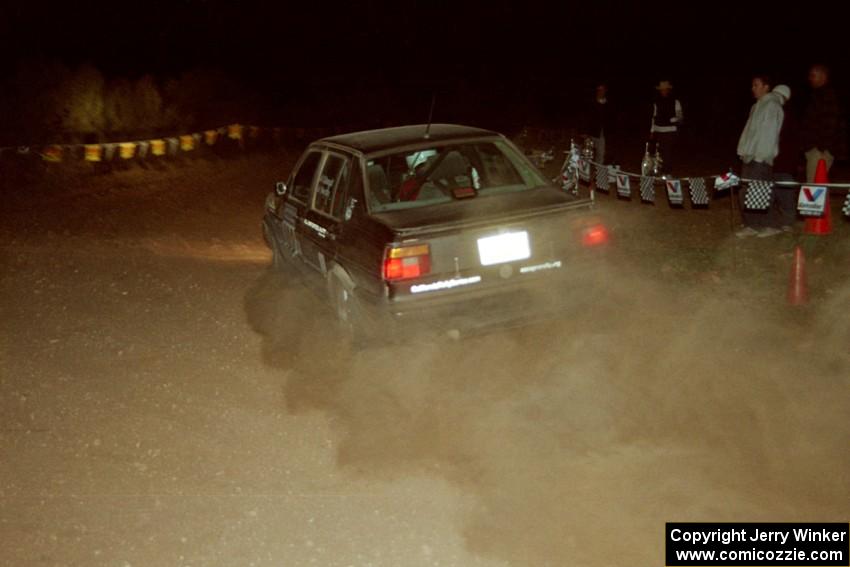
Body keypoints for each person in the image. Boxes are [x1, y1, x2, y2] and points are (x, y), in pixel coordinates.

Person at [735, 75, 785, 238]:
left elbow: (769, 134)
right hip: (749, 155)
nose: (753, 88)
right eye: (752, 85)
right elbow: (749, 132)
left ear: (766, 87)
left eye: (756, 85)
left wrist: (761, 156)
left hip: (760, 157)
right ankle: (752, 225)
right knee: (745, 192)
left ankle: (771, 224)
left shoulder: (772, 105)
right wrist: (743, 150)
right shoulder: (757, 106)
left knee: (759, 192)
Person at [800, 64, 846, 182]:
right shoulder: (817, 95)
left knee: (814, 186)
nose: (809, 78)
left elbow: (831, 122)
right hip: (816, 148)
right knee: (816, 184)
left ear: (823, 77)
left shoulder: (826, 95)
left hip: (819, 150)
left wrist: (822, 147)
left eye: (813, 75)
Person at [770, 84, 800, 232]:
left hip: (785, 159)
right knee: (775, 190)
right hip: (776, 159)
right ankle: (781, 220)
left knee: (785, 190)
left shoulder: (787, 113)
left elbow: (791, 139)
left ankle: (788, 221)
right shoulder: (775, 109)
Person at [649, 80, 683, 174]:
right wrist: (652, 131)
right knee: (659, 151)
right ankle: (659, 170)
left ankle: (667, 172)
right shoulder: (657, 102)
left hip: (670, 130)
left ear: (668, 90)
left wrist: (674, 120)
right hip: (658, 130)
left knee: (667, 151)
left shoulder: (675, 102)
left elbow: (680, 117)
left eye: (665, 89)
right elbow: (654, 116)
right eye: (661, 90)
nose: (663, 91)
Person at [584, 82, 614, 165]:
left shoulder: (608, 105)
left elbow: (611, 120)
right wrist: (586, 133)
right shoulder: (592, 103)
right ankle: (585, 174)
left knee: (600, 154)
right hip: (591, 133)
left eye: (603, 90)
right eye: (599, 90)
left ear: (605, 91)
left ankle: (598, 174)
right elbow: (587, 118)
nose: (601, 92)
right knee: (587, 154)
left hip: (602, 134)